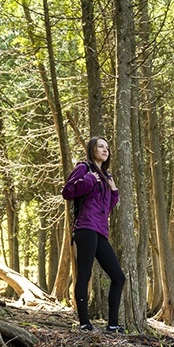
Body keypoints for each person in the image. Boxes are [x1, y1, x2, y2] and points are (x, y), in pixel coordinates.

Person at [61, 137, 126, 332]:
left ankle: (113, 325)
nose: (105, 150)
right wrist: (89, 179)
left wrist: (114, 192)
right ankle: (84, 323)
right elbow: (67, 192)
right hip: (85, 228)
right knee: (84, 274)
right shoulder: (84, 169)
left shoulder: (107, 176)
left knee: (118, 277)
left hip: (100, 230)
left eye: (107, 148)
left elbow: (107, 207)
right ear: (92, 149)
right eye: (101, 146)